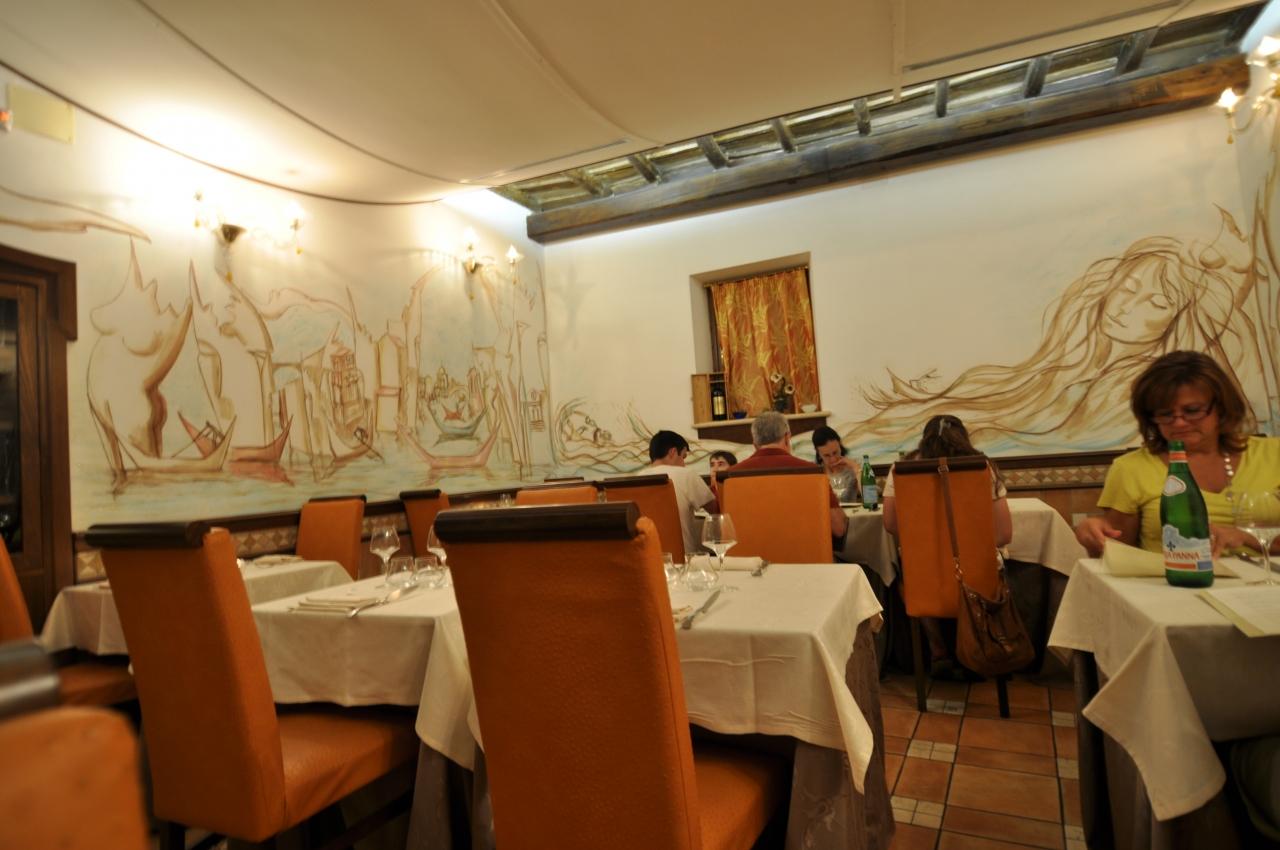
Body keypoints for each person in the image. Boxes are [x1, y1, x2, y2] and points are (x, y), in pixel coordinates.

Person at [1075, 351, 1280, 556]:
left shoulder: (1274, 453)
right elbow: (1118, 556)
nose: (1179, 422)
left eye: (1192, 410)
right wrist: (1093, 537)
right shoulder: (1130, 468)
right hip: (1172, 576)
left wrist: (1246, 537)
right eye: (1165, 414)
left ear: (1222, 407)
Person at [882, 414, 1012, 677]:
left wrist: (928, 544)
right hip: (976, 579)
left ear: (924, 440)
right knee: (993, 568)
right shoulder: (981, 467)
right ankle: (978, 647)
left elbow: (891, 523)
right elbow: (1003, 534)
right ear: (963, 438)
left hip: (925, 575)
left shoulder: (902, 469)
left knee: (908, 574)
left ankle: (938, 649)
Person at [731, 412, 849, 538]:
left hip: (750, 550)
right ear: (787, 438)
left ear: (755, 445)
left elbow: (724, 530)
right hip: (805, 549)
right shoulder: (811, 472)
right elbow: (839, 527)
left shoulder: (730, 475)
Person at [644, 430, 718, 557]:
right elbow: (716, 510)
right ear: (673, 452)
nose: (683, 464)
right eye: (683, 457)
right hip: (684, 559)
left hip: (649, 559)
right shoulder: (686, 475)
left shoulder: (634, 479)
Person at [812, 426, 859, 503]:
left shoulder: (853, 468)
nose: (833, 459)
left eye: (835, 452)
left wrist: (855, 468)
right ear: (818, 453)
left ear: (840, 445)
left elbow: (871, 495)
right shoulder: (815, 472)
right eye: (827, 455)